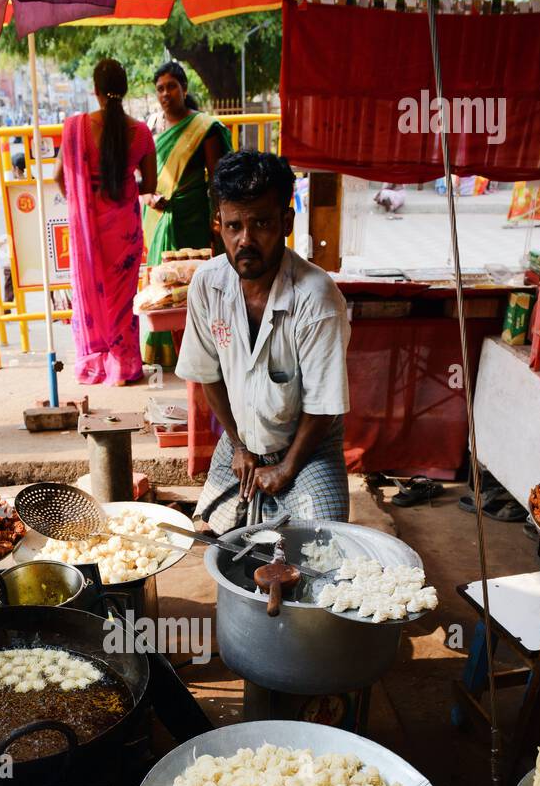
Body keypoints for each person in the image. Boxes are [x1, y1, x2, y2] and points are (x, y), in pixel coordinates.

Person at [176, 151, 350, 534]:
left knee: (321, 545)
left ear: (286, 222)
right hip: (241, 436)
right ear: (217, 225)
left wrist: (287, 468)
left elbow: (323, 405)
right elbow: (209, 375)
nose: (246, 240)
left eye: (262, 224)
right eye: (234, 226)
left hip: (308, 446)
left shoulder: (316, 297)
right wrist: (238, 444)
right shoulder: (207, 284)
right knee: (217, 536)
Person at [56, 59, 156, 386]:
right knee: (122, 299)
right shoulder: (141, 132)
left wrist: (82, 196)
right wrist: (123, 186)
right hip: (124, 227)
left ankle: (96, 365)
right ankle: (125, 367)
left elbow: (59, 177)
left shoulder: (76, 127)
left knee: (93, 295)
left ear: (95, 90)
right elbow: (151, 186)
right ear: (125, 90)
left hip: (89, 228)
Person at [141, 61, 231, 369]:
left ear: (184, 88)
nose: (165, 94)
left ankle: (199, 352)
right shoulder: (155, 128)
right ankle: (166, 353)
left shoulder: (204, 128)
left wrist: (219, 219)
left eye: (171, 87)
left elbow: (218, 177)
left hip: (193, 217)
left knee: (195, 283)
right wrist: (150, 196)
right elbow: (146, 179)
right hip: (159, 217)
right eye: (160, 89)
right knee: (164, 287)